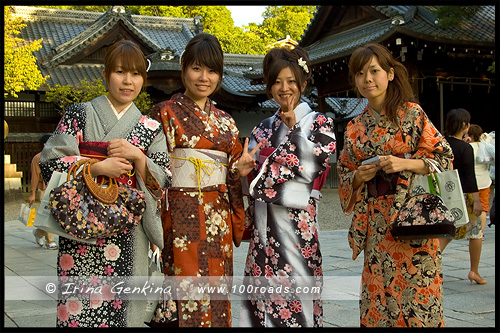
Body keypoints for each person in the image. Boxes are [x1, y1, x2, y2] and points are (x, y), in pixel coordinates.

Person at [39, 39, 171, 327]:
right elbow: (49, 163)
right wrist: (97, 167)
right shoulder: (79, 114)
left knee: (125, 309)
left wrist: (138, 156)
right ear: (105, 75)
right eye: (120, 72)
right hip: (80, 226)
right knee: (80, 307)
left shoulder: (151, 128)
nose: (128, 81)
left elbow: (162, 181)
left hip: (129, 229)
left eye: (136, 74)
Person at [337, 43, 453, 327]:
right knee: (380, 298)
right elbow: (344, 171)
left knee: (419, 298)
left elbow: (444, 158)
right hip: (377, 224)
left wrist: (405, 163)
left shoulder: (412, 114)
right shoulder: (354, 128)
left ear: (389, 74)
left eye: (375, 71)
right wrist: (357, 178)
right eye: (360, 73)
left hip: (414, 219)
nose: (368, 79)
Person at [151, 33, 258, 327]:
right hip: (180, 214)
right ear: (184, 69)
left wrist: (240, 168)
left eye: (212, 71)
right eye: (197, 68)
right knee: (185, 290)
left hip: (218, 217)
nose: (204, 77)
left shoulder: (226, 120)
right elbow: (154, 168)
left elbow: (233, 169)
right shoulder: (164, 113)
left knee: (217, 289)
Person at [239, 46, 336, 327]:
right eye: (277, 82)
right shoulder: (263, 128)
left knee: (298, 303)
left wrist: (295, 134)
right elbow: (251, 178)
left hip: (298, 230)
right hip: (263, 230)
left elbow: (313, 166)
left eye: (291, 81)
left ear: (303, 84)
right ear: (270, 88)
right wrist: (242, 171)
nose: (284, 88)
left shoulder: (320, 123)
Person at [439, 110, 485, 284]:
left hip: (447, 192)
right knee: (476, 232)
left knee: (447, 232)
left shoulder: (442, 143)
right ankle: (474, 271)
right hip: (465, 195)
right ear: (464, 125)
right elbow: (469, 176)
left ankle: (432, 265)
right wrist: (477, 201)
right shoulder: (466, 148)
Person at [30, 134, 57, 250]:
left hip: (55, 187)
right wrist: (32, 193)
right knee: (48, 214)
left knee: (52, 215)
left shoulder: (56, 156)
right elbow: (35, 177)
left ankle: (39, 232)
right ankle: (50, 241)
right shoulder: (38, 158)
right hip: (43, 189)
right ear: (45, 144)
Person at [468, 124, 494, 232]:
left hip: (471, 183)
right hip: (484, 182)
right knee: (483, 208)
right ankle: (480, 232)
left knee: (470, 207)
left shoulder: (468, 147)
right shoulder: (485, 147)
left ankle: (471, 229)